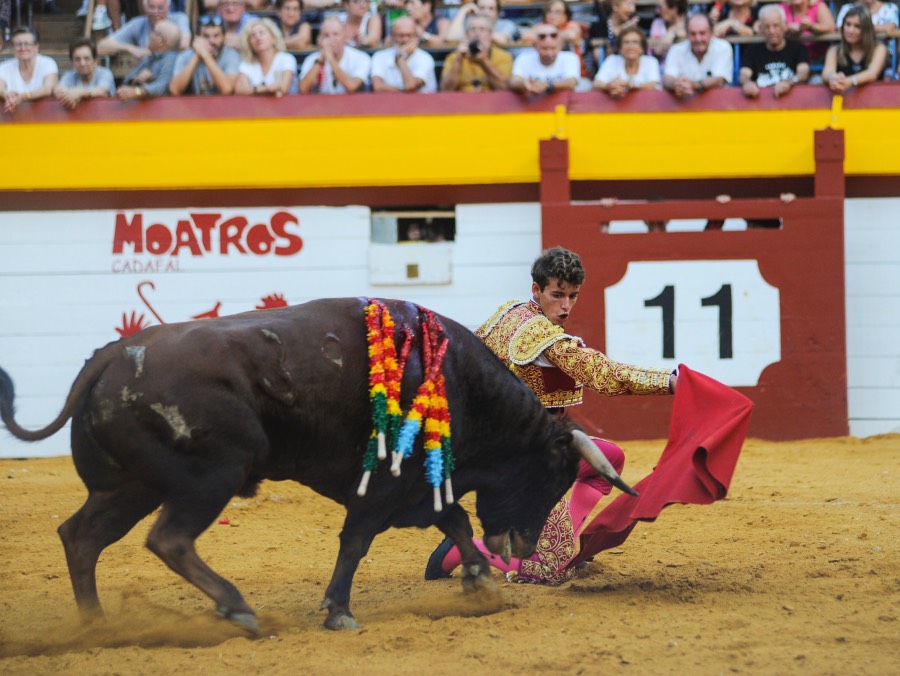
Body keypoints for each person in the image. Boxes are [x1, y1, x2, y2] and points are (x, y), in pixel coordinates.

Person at [423, 247, 676, 585]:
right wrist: (669, 382)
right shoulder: (542, 338)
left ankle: (561, 542)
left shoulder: (509, 312)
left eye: (573, 296)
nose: (566, 306)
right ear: (537, 290)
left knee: (609, 460)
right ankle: (461, 549)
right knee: (549, 570)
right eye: (557, 295)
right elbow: (605, 374)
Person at [739, 5, 809, 99]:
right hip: (760, 105)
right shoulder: (752, 50)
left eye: (776, 26)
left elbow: (803, 73)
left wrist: (789, 83)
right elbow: (744, 74)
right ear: (761, 29)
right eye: (767, 27)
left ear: (784, 25)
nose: (771, 31)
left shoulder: (798, 48)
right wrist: (747, 83)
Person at [662, 12, 733, 98]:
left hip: (718, 105)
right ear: (687, 34)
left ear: (711, 33)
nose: (698, 39)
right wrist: (677, 84)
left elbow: (719, 80)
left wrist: (693, 85)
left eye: (702, 33)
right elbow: (667, 79)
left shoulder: (723, 47)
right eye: (693, 34)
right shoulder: (676, 49)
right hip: (683, 106)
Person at [169, 14, 240, 95]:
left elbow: (227, 89)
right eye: (206, 36)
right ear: (197, 37)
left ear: (224, 37)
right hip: (195, 106)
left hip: (223, 106)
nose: (211, 41)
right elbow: (175, 90)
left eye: (216, 36)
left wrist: (205, 55)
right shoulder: (186, 55)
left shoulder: (231, 55)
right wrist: (197, 57)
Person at [822, 4, 888, 91]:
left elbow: (872, 73)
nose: (850, 30)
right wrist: (834, 78)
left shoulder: (879, 48)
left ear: (866, 30)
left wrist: (850, 81)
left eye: (857, 26)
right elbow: (826, 73)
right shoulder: (834, 50)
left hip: (875, 100)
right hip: (844, 100)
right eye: (848, 24)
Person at [298, 15, 371, 93]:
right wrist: (320, 60)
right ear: (319, 39)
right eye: (326, 35)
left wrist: (330, 58)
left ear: (344, 37)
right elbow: (303, 89)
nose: (331, 39)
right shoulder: (312, 59)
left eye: (336, 34)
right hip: (320, 104)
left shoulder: (361, 57)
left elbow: (352, 86)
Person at [440, 14, 512, 91]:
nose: (477, 33)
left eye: (482, 29)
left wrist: (484, 62)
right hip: (462, 101)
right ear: (466, 34)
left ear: (490, 34)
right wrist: (458, 60)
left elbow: (505, 89)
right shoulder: (454, 57)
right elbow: (445, 90)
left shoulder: (503, 57)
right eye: (473, 29)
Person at [98, 0, 191, 57]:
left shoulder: (179, 18)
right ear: (145, 8)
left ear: (168, 7)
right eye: (152, 7)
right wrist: (131, 48)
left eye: (160, 8)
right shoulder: (139, 23)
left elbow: (184, 44)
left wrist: (154, 53)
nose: (156, 12)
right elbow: (102, 45)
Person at [117, 19, 182, 100]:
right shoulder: (150, 56)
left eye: (154, 32)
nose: (150, 35)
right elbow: (126, 80)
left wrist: (137, 92)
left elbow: (161, 87)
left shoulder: (171, 58)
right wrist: (136, 81)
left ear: (161, 41)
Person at [371, 16, 438, 93]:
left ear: (416, 36)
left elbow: (410, 86)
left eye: (409, 35)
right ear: (392, 36)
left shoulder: (425, 58)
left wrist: (400, 58)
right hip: (389, 103)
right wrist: (403, 92)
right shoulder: (379, 56)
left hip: (423, 104)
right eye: (401, 35)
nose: (405, 40)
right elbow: (378, 87)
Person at [521, 0, 588, 78]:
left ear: (566, 15)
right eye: (549, 12)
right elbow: (526, 36)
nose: (552, 16)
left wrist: (544, 34)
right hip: (546, 74)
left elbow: (571, 35)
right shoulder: (541, 25)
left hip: (573, 74)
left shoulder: (572, 25)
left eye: (557, 12)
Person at [509, 23, 580, 95]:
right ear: (535, 47)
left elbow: (572, 82)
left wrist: (548, 85)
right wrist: (525, 84)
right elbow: (514, 81)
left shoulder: (570, 57)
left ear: (560, 47)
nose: (549, 53)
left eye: (553, 48)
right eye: (544, 48)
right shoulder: (524, 58)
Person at [0, 27, 59, 114]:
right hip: (12, 116)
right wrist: (6, 95)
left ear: (36, 47)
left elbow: (48, 89)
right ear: (12, 48)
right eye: (18, 44)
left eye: (27, 44)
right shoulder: (4, 67)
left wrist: (24, 96)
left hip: (44, 116)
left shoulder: (48, 63)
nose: (23, 48)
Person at [234, 18, 297, 96]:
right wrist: (264, 88)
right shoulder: (247, 63)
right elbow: (239, 90)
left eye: (262, 33)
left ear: (273, 38)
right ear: (249, 43)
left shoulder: (286, 58)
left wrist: (254, 90)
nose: (258, 37)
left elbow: (283, 88)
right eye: (253, 36)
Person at [593, 24, 661, 95]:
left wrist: (630, 85)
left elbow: (654, 85)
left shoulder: (651, 61)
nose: (630, 46)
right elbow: (596, 83)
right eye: (626, 42)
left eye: (635, 42)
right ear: (620, 48)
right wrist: (608, 86)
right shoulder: (612, 60)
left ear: (642, 48)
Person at [54, 38, 116, 109]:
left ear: (95, 60)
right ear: (72, 62)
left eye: (86, 58)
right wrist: (68, 96)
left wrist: (80, 93)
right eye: (77, 59)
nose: (82, 63)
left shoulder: (105, 73)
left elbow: (102, 90)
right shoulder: (69, 75)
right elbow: (58, 90)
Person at [781, 0, 836, 64]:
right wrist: (788, 29)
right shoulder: (784, 7)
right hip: (791, 57)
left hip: (816, 56)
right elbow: (774, 27)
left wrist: (812, 27)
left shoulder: (818, 6)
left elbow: (831, 27)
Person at [445, 0, 518, 45]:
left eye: (491, 8)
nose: (486, 12)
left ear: (498, 12)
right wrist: (463, 11)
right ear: (475, 9)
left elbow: (502, 40)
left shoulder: (507, 24)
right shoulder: (470, 22)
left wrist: (473, 34)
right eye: (482, 8)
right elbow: (451, 38)